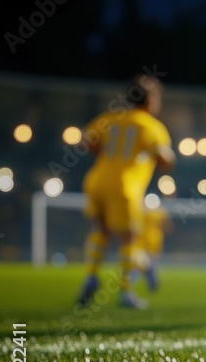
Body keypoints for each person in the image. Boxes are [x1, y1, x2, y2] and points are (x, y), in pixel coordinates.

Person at [76, 73, 175, 309]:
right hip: (125, 186)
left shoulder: (110, 118)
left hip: (97, 180)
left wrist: (107, 153)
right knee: (129, 239)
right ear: (150, 101)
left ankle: (90, 277)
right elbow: (167, 160)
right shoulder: (150, 125)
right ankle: (126, 292)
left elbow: (86, 141)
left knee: (100, 230)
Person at [136, 204, 172, 292]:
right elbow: (168, 226)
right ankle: (152, 283)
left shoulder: (158, 212)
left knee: (149, 264)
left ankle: (152, 283)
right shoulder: (159, 212)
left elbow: (167, 226)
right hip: (144, 241)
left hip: (150, 241)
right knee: (144, 264)